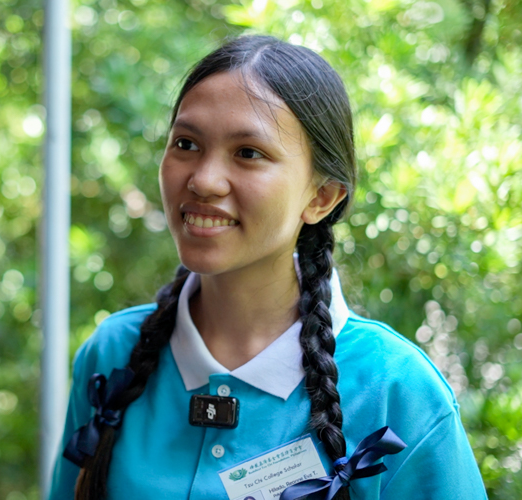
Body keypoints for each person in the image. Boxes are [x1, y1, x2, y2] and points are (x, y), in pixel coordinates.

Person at [48, 36, 487, 500]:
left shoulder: (395, 388)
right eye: (186, 143)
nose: (203, 180)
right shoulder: (112, 355)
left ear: (321, 197)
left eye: (248, 153)